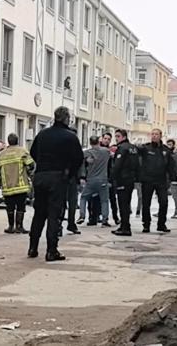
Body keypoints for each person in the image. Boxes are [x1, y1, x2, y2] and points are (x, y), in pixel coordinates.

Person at [28, 106, 84, 261]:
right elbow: (78, 159)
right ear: (67, 118)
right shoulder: (70, 137)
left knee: (39, 213)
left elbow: (33, 152)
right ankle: (51, 250)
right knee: (54, 214)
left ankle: (33, 247)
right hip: (58, 177)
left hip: (41, 176)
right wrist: (69, 173)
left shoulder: (43, 134)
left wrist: (43, 163)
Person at [137, 129, 177, 233]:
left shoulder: (165, 150)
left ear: (160, 136)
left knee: (164, 202)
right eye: (152, 134)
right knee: (146, 203)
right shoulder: (145, 148)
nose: (154, 136)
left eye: (156, 134)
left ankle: (161, 224)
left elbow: (171, 166)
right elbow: (137, 154)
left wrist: (174, 179)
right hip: (147, 180)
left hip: (161, 180)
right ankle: (146, 224)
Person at [0, 133, 35, 234]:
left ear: (8, 141)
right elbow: (31, 165)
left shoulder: (1, 154)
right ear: (17, 140)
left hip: (7, 186)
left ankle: (10, 226)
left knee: (10, 207)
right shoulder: (22, 151)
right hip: (20, 185)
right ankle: (19, 226)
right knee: (21, 206)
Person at [111, 129, 139, 236]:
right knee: (126, 203)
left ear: (123, 137)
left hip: (122, 179)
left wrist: (112, 178)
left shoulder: (122, 148)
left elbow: (117, 165)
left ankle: (125, 227)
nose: (116, 138)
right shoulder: (133, 148)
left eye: (118, 136)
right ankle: (124, 225)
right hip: (130, 179)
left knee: (123, 204)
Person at [79, 136, 112, 227]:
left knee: (83, 198)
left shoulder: (87, 152)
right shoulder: (106, 151)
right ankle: (104, 220)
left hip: (91, 180)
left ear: (90, 143)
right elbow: (113, 155)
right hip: (103, 180)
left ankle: (82, 215)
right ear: (99, 141)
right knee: (104, 201)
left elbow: (79, 158)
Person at [64, 127, 82, 235]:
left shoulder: (76, 147)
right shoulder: (64, 146)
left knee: (72, 203)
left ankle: (71, 223)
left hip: (72, 178)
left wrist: (80, 178)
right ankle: (60, 225)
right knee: (62, 203)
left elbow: (80, 163)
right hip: (64, 177)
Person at [166, 139, 177, 219]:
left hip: (173, 177)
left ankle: (176, 212)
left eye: (170, 144)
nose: (169, 146)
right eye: (167, 144)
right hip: (165, 177)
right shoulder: (165, 153)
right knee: (162, 196)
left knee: (175, 196)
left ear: (173, 145)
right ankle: (160, 212)